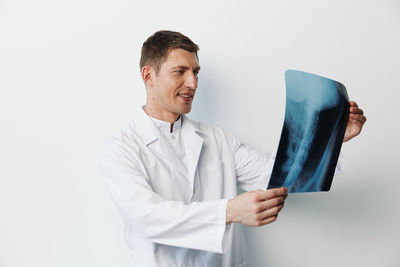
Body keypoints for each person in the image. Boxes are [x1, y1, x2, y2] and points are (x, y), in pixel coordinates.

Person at [97, 30, 366, 267]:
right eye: (180, 72)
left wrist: (330, 136)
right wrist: (229, 211)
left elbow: (278, 176)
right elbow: (147, 217)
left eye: (195, 72)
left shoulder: (217, 138)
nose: (193, 83)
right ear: (148, 75)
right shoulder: (120, 149)